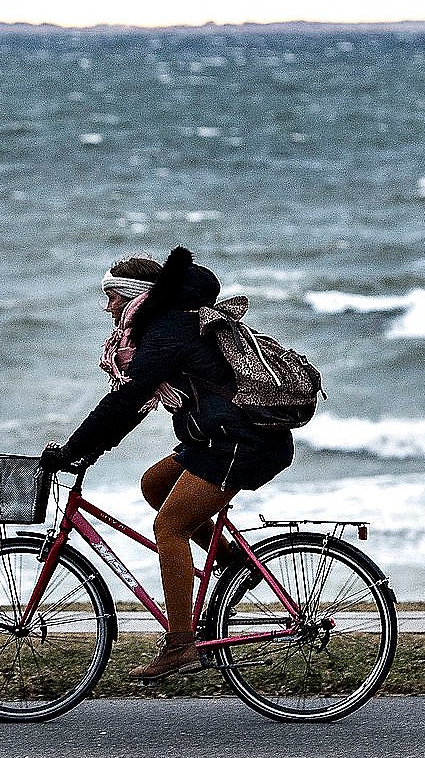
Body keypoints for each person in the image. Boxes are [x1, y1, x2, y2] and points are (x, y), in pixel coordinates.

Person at [40, 246, 295, 682]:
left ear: (135, 294)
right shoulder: (159, 329)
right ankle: (236, 564)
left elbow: (128, 396)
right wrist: (92, 450)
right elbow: (136, 402)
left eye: (112, 297)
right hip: (216, 438)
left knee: (169, 528)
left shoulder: (168, 329)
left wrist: (72, 448)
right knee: (155, 485)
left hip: (241, 442)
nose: (107, 308)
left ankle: (181, 645)